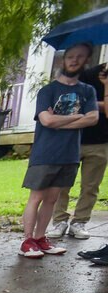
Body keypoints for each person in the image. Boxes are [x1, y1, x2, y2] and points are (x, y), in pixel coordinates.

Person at [20, 42, 99, 258]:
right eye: (70, 56)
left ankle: (40, 238)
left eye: (80, 56)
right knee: (36, 198)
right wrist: (77, 117)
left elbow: (93, 119)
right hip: (45, 153)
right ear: (63, 60)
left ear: (86, 61)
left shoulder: (87, 91)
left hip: (69, 153)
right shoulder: (48, 91)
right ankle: (27, 241)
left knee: (52, 199)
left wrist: (60, 120)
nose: (74, 60)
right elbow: (46, 121)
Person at [48, 60, 108, 240]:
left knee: (91, 186)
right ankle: (59, 221)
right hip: (73, 138)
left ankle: (79, 222)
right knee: (62, 184)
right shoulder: (86, 75)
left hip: (101, 141)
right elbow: (72, 103)